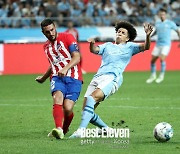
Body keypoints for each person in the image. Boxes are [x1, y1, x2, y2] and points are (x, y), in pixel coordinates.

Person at [69, 21, 153, 138]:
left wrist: (148, 36)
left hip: (112, 77)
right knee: (86, 111)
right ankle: (106, 129)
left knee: (92, 98)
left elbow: (146, 46)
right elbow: (95, 50)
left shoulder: (130, 47)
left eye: (123, 33)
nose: (119, 33)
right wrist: (92, 43)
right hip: (98, 77)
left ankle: (80, 131)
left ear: (127, 38)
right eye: (118, 31)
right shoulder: (107, 45)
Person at [35, 18, 83, 139]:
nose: (50, 33)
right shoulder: (46, 47)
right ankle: (58, 128)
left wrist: (66, 68)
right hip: (57, 78)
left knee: (68, 108)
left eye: (52, 30)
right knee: (58, 98)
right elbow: (53, 65)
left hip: (74, 77)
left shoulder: (68, 37)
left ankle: (64, 129)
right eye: (47, 32)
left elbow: (77, 57)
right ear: (43, 33)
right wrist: (44, 78)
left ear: (55, 27)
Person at [146, 8, 180, 84]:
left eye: (163, 14)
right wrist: (149, 37)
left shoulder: (170, 23)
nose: (162, 15)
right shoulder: (157, 23)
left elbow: (177, 31)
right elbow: (156, 32)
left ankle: (161, 76)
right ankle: (153, 75)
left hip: (166, 44)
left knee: (162, 58)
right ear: (159, 15)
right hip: (158, 44)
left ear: (166, 15)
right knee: (152, 61)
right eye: (161, 14)